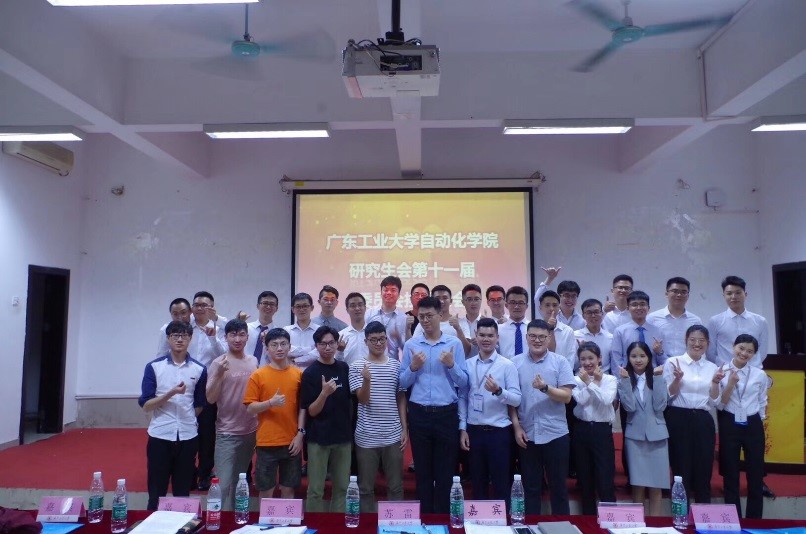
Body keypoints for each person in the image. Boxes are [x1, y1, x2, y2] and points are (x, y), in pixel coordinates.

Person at [400, 296, 469, 513]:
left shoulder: (453, 344)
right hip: (419, 414)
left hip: (446, 414)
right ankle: (425, 519)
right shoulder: (411, 345)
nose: (425, 320)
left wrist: (451, 365)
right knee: (422, 471)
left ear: (440, 315)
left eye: (429, 316)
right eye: (421, 316)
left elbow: (464, 383)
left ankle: (443, 519)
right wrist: (413, 367)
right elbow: (402, 383)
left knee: (446, 471)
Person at [138, 320, 207, 510]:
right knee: (156, 491)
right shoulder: (154, 367)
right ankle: (152, 522)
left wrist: (188, 420)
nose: (179, 339)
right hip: (160, 435)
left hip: (188, 436)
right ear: (168, 339)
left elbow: (199, 405)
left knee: (182, 492)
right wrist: (171, 393)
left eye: (184, 335)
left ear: (190, 339)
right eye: (175, 335)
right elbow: (146, 405)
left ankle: (180, 523)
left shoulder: (199, 369)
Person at [510, 319, 575, 515]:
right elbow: (512, 400)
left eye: (541, 337)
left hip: (556, 433)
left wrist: (546, 388)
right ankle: (530, 526)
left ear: (549, 338)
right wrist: (516, 427)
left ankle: (561, 527)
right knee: (531, 488)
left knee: (558, 488)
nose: (537, 340)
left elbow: (567, 396)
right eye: (533, 336)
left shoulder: (560, 362)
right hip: (527, 435)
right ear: (526, 337)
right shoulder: (514, 363)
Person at [459, 318, 521, 502]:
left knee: (502, 484)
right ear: (476, 337)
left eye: (490, 336)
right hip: (474, 431)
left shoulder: (507, 365)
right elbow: (463, 397)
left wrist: (499, 391)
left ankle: (503, 519)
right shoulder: (467, 364)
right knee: (478, 484)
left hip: (499, 432)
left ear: (497, 338)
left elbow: (517, 399)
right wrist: (463, 428)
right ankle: (480, 520)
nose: (486, 339)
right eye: (482, 335)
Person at [348, 321, 407, 512]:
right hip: (366, 436)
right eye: (373, 340)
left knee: (396, 486)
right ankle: (367, 523)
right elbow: (362, 399)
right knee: (365, 488)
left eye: (382, 339)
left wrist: (404, 428)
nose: (379, 343)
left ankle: (396, 522)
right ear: (366, 342)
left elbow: (400, 398)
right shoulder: (357, 366)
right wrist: (367, 380)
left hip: (393, 435)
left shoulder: (396, 366)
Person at [243, 328, 305, 499]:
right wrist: (270, 403)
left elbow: (303, 408)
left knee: (289, 489)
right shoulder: (258, 375)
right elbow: (250, 408)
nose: (279, 348)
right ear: (267, 349)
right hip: (266, 442)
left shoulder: (299, 374)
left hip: (292, 442)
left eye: (283, 344)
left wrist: (300, 435)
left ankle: (287, 518)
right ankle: (266, 518)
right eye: (274, 345)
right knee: (266, 490)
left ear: (289, 347)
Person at [662, 325, 720, 505]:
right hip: (678, 417)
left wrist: (715, 383)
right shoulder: (673, 362)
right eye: (693, 340)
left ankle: (703, 513)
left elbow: (715, 401)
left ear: (708, 343)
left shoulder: (712, 367)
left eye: (702, 340)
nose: (697, 344)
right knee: (680, 466)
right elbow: (667, 395)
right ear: (685, 341)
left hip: (703, 419)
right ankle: (680, 514)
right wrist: (677, 380)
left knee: (704, 466)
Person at [205, 319, 258, 510]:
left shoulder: (253, 361)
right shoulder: (218, 363)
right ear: (225, 337)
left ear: (247, 337)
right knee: (222, 484)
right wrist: (219, 373)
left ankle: (236, 519)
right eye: (233, 335)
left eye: (241, 334)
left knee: (239, 482)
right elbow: (210, 398)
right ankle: (215, 519)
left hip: (250, 431)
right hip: (227, 432)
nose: (237, 339)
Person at [301, 326, 352, 512]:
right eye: (323, 344)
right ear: (316, 346)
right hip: (318, 438)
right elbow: (311, 411)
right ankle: (316, 525)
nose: (328, 347)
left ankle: (337, 525)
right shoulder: (310, 373)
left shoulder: (344, 368)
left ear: (337, 344)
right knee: (316, 490)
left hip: (343, 437)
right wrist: (324, 394)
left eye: (331, 343)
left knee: (342, 488)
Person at [716, 334, 768, 519]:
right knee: (730, 474)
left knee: (755, 475)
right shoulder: (721, 371)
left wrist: (759, 421)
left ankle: (754, 521)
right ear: (733, 346)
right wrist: (729, 384)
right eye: (741, 348)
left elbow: (762, 400)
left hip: (753, 423)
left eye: (750, 351)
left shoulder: (759, 374)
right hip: (729, 422)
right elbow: (719, 404)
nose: (744, 353)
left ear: (754, 354)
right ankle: (733, 520)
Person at [617, 341, 669, 517]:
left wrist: (658, 378)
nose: (638, 360)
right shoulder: (624, 380)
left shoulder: (658, 377)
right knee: (637, 485)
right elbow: (629, 407)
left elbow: (660, 406)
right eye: (633, 356)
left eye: (642, 356)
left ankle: (655, 524)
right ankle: (638, 524)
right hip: (635, 438)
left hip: (657, 437)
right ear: (628, 358)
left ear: (649, 357)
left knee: (656, 485)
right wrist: (625, 381)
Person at [188, 291, 228, 491]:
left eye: (205, 305)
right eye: (197, 305)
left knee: (207, 432)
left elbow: (224, 355)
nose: (200, 308)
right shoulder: (185, 327)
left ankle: (204, 473)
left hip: (208, 385)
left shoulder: (219, 328)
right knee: (187, 429)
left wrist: (213, 338)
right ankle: (188, 472)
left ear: (212, 308)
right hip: (186, 385)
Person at [572, 342, 617, 515]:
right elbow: (581, 400)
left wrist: (593, 382)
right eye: (583, 359)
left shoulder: (610, 379)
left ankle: (610, 518)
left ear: (600, 359)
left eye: (591, 358)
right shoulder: (576, 380)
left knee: (605, 477)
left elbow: (606, 400)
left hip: (601, 430)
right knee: (585, 478)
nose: (587, 362)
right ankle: (588, 519)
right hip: (581, 429)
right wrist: (590, 383)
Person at [707, 276, 769, 368]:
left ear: (745, 294)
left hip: (752, 372)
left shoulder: (760, 321)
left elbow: (762, 352)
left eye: (738, 293)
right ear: (724, 295)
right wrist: (727, 368)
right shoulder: (715, 321)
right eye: (729, 293)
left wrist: (748, 369)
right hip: (725, 372)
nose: (733, 297)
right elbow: (710, 352)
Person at [647, 277, 702, 358]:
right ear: (666, 294)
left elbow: (699, 347)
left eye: (683, 292)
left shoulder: (695, 321)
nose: (679, 295)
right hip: (660, 364)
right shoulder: (652, 318)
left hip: (687, 364)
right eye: (675, 291)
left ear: (688, 296)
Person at [365, 276, 408, 359]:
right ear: (381, 292)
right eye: (386, 290)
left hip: (393, 362)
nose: (389, 293)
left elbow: (406, 349)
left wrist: (398, 338)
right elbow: (363, 339)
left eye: (393, 290)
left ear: (399, 294)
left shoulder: (403, 318)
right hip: (371, 361)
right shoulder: (370, 313)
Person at [574, 299, 613, 374]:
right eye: (589, 312)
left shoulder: (610, 337)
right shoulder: (575, 336)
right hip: (581, 377)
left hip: (605, 377)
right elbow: (572, 364)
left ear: (602, 313)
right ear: (583, 316)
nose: (593, 315)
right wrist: (581, 350)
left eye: (596, 312)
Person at [284, 293, 319, 369]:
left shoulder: (319, 330)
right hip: (290, 373)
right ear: (293, 309)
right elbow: (285, 350)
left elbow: (318, 353)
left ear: (312, 308)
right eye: (298, 306)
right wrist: (310, 349)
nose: (302, 309)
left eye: (305, 306)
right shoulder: (286, 330)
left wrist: (295, 360)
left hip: (313, 373)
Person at [245, 291, 279, 364]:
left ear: (276, 308)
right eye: (265, 303)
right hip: (245, 369)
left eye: (272, 304)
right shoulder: (246, 328)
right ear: (258, 306)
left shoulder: (278, 334)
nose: (268, 307)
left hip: (268, 370)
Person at [337, 292, 369, 366]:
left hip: (372, 372)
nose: (357, 308)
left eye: (360, 305)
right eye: (353, 306)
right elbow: (337, 362)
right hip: (348, 373)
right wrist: (340, 351)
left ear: (365, 308)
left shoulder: (372, 334)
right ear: (347, 310)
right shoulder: (341, 335)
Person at [498, 286, 531, 358]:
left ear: (526, 306)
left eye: (521, 303)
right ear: (506, 305)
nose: (516, 306)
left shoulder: (532, 328)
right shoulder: (498, 330)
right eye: (513, 302)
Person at [457, 283, 484, 358]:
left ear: (481, 300)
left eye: (476, 299)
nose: (473, 303)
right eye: (469, 299)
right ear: (463, 302)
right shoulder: (458, 324)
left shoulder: (489, 323)